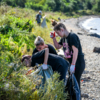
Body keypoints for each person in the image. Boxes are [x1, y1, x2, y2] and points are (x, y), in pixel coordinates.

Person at [50, 23, 85, 90]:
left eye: (57, 32)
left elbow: (75, 51)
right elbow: (57, 47)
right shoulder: (63, 38)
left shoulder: (72, 36)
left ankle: (77, 97)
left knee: (76, 82)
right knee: (72, 82)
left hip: (78, 62)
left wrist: (73, 64)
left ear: (62, 29)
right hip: (72, 63)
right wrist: (54, 38)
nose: (58, 35)